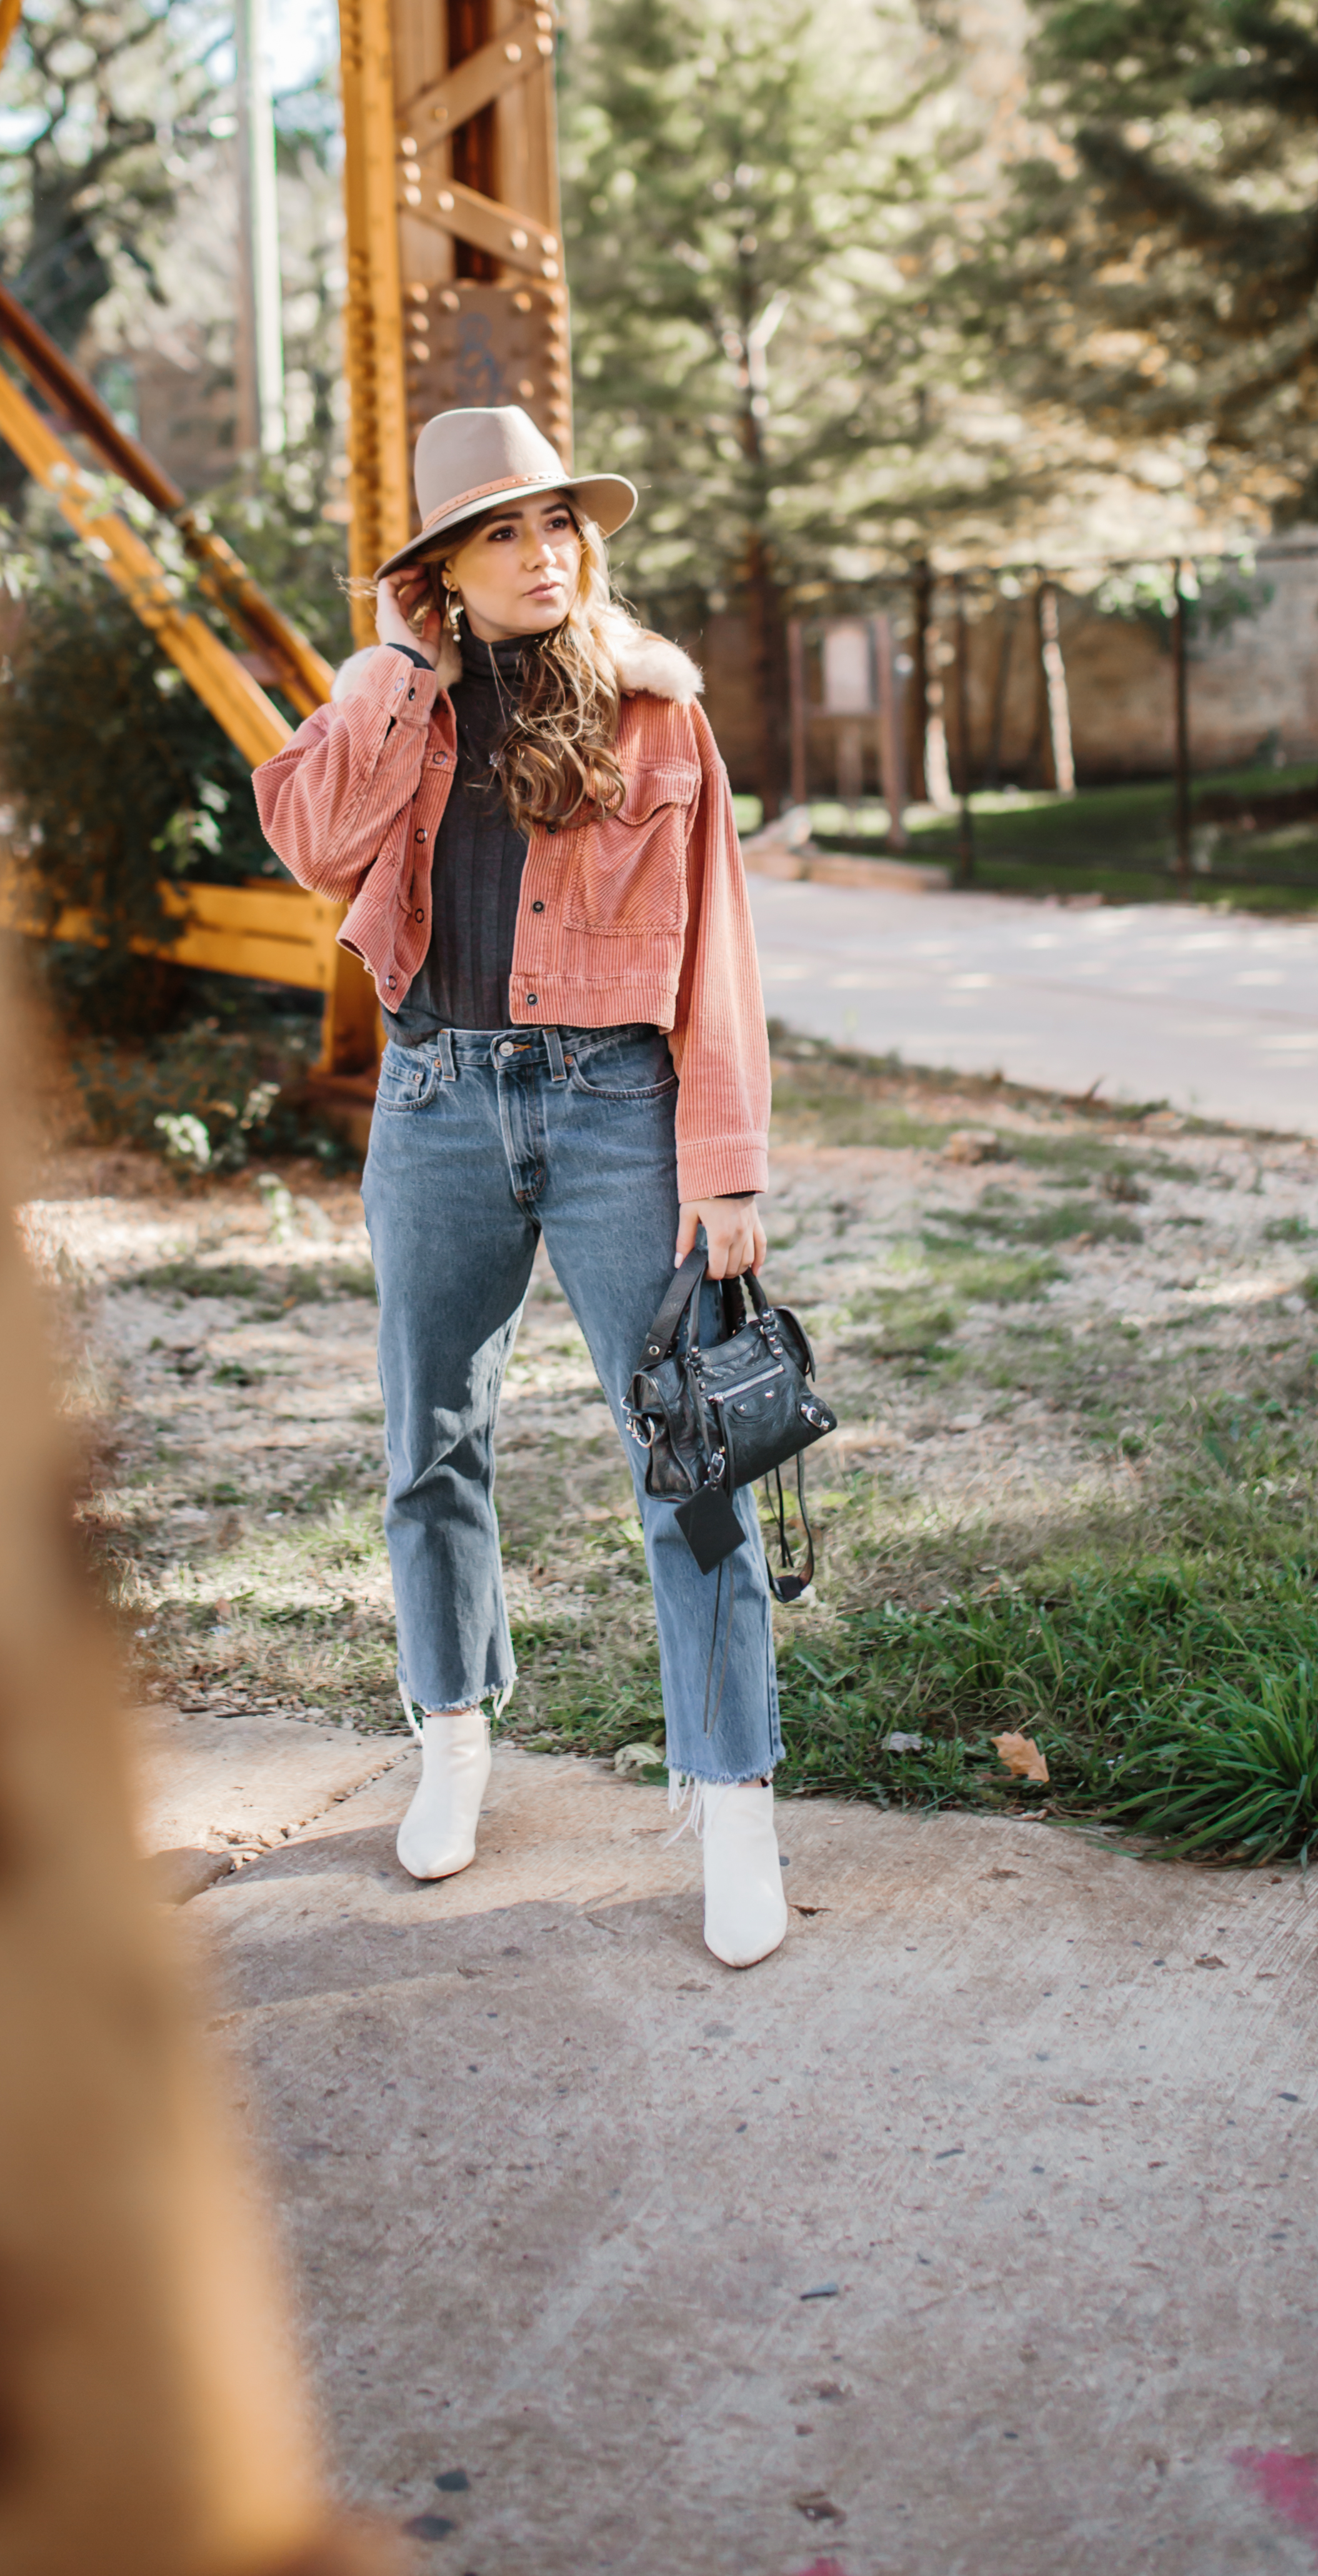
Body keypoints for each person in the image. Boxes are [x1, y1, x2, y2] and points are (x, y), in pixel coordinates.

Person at [253, 405, 787, 1968]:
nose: (542, 553)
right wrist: (394, 679)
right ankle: (452, 1739)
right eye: (500, 531)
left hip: (617, 1108)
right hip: (432, 1105)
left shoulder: (657, 718)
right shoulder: (396, 705)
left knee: (689, 1461)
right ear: (438, 571)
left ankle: (731, 1798)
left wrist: (727, 1167)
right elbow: (309, 842)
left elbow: (717, 958)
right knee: (430, 1439)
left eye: (557, 523)